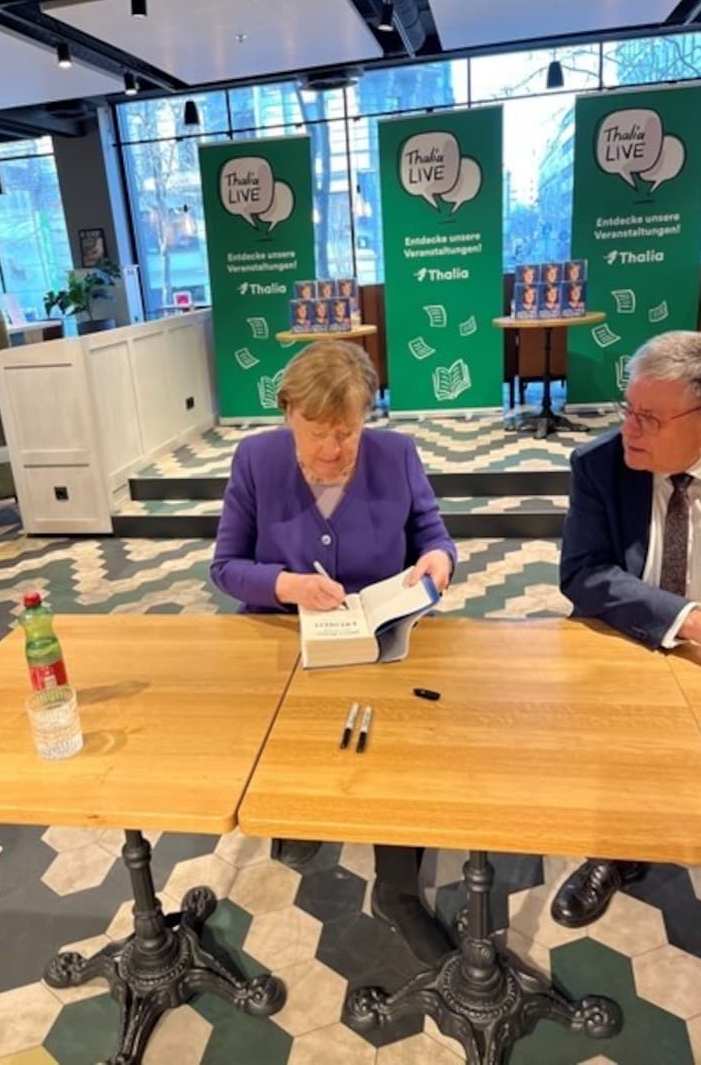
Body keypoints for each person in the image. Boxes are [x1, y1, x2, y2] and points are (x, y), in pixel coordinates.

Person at [211, 340, 457, 965]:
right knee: (296, 735)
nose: (333, 451)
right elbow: (225, 567)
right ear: (286, 411)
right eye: (317, 433)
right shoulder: (255, 458)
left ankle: (398, 892)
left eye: (348, 433)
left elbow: (431, 531)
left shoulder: (397, 455)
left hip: (380, 639)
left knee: (398, 750)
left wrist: (439, 558)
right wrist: (284, 585)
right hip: (284, 636)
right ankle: (299, 816)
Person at [551, 331, 701, 928]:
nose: (630, 431)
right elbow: (583, 573)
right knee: (610, 734)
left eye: (649, 418)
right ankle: (613, 849)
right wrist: (687, 620)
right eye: (628, 410)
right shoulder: (601, 466)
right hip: (633, 635)